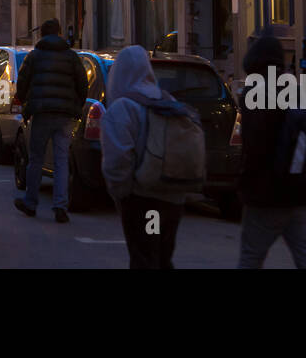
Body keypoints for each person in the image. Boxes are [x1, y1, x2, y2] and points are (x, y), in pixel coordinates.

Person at [236, 27, 306, 269]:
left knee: (251, 256)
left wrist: (245, 186)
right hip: (299, 190)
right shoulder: (294, 90)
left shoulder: (254, 94)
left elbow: (254, 148)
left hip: (267, 194)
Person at [100, 45, 190, 268]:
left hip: (143, 200)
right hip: (173, 196)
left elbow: (117, 160)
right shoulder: (167, 99)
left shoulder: (122, 108)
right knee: (161, 256)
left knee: (144, 257)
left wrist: (121, 195)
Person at [14, 18, 88, 222]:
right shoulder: (71, 57)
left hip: (41, 112)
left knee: (36, 158)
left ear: (42, 35)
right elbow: (82, 84)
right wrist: (76, 105)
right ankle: (60, 206)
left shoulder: (34, 57)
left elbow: (22, 84)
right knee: (61, 159)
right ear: (59, 33)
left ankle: (30, 203)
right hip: (64, 114)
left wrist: (27, 102)